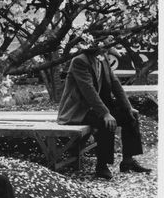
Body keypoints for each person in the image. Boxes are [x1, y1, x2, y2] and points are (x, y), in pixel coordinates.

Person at [57, 46, 152, 180]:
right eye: (105, 42)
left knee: (130, 115)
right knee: (105, 121)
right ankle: (102, 166)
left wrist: (128, 107)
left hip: (97, 106)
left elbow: (115, 83)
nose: (109, 45)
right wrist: (105, 113)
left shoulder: (103, 58)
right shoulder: (79, 61)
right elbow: (88, 90)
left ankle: (128, 160)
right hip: (79, 109)